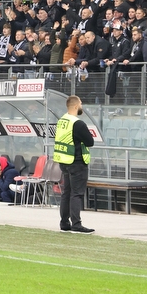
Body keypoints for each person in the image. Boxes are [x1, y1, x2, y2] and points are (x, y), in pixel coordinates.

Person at [53, 95, 95, 233]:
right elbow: (90, 142)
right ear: (76, 106)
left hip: (64, 161)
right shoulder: (78, 123)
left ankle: (64, 222)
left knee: (67, 193)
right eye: (81, 103)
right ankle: (76, 224)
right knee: (77, 194)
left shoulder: (62, 121)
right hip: (76, 161)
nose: (82, 105)